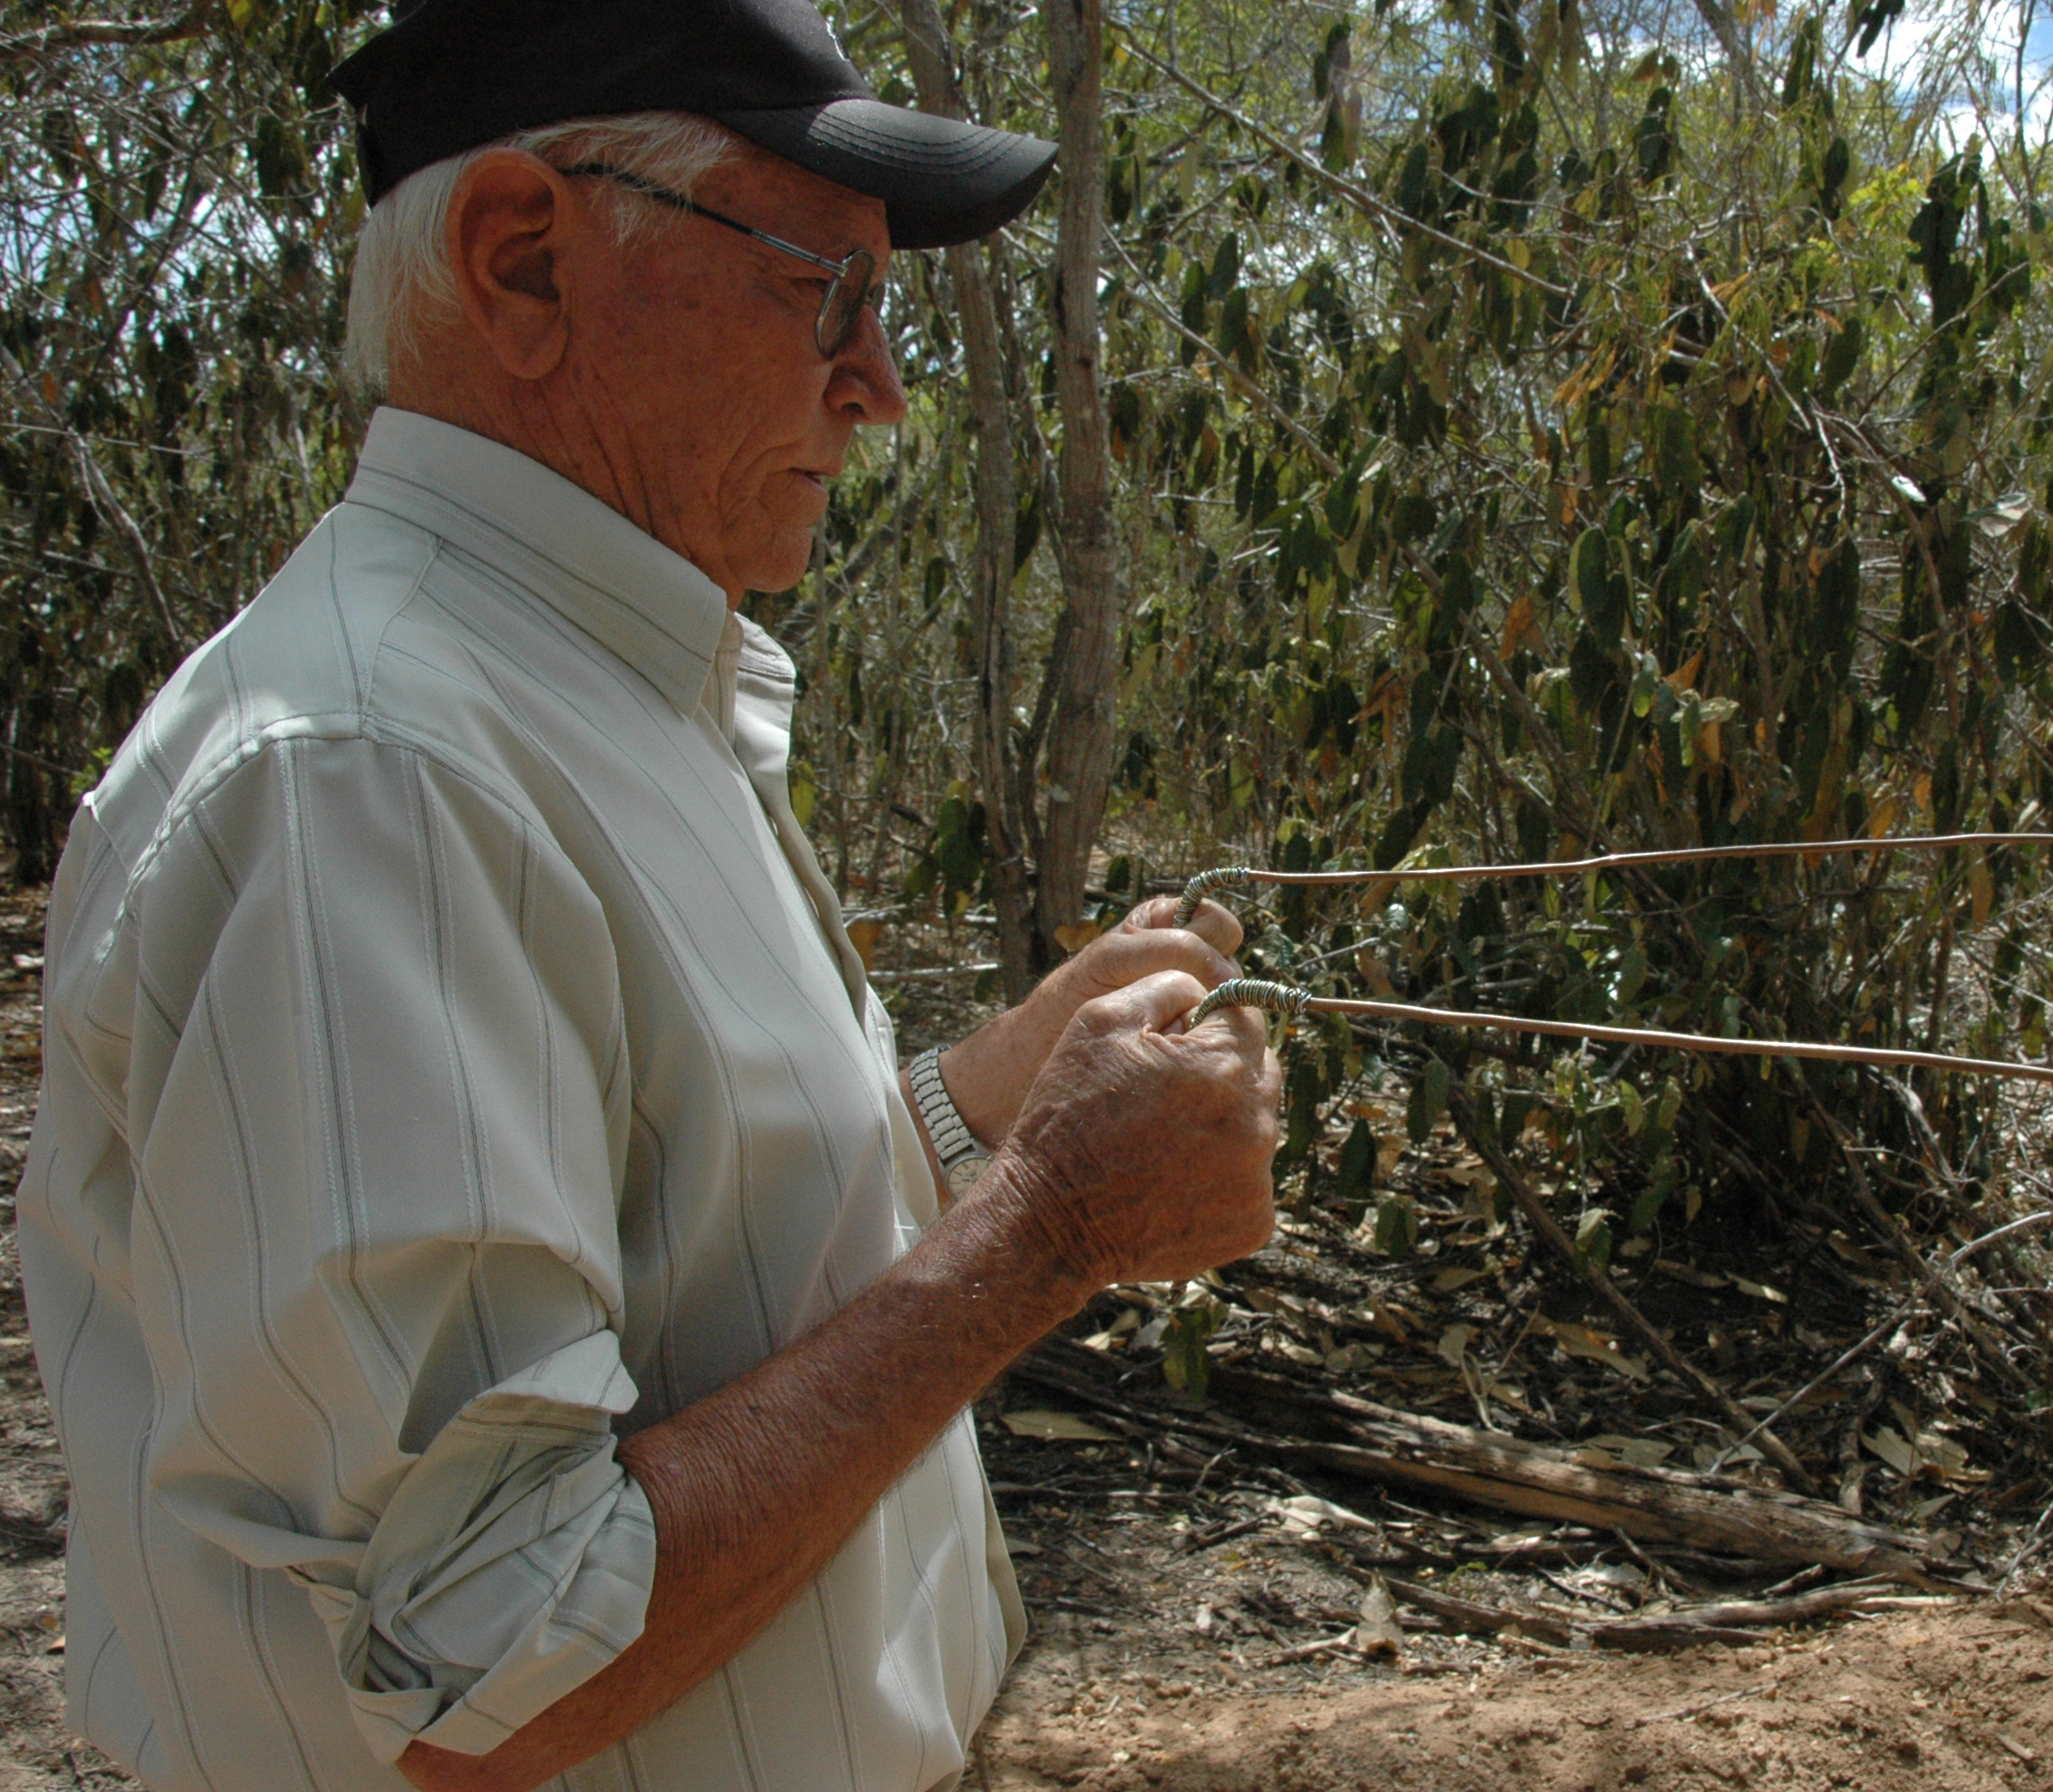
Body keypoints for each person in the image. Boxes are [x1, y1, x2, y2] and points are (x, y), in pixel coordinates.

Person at [13, 3, 1283, 1789]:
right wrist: (1047, 1230)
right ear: (524, 257)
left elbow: (691, 1264)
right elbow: (492, 1666)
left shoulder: (584, 690)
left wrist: (974, 1108)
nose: (880, 383)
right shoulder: (373, 773)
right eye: (822, 288)